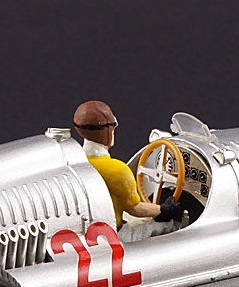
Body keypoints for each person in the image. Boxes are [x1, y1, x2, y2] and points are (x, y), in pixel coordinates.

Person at [73, 101, 180, 239]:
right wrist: (164, 209)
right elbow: (135, 209)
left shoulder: (76, 163)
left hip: (87, 233)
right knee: (167, 227)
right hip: (113, 235)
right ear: (108, 132)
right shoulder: (117, 170)